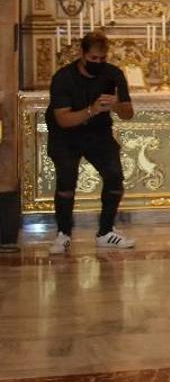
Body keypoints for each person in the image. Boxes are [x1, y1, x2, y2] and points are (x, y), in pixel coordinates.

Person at [46, 30, 136, 254]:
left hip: (98, 134)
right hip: (65, 136)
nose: (98, 63)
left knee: (115, 177)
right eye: (93, 59)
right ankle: (63, 234)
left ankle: (106, 232)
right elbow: (63, 119)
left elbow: (128, 113)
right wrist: (91, 110)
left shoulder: (113, 74)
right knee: (66, 181)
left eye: (102, 59)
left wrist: (115, 104)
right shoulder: (63, 78)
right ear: (82, 54)